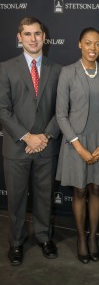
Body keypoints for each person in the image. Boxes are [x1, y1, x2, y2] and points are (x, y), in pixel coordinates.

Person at [0, 17, 61, 265]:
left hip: (46, 146)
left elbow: (62, 110)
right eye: (27, 34)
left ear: (44, 37)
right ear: (19, 38)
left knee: (45, 196)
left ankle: (44, 237)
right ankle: (16, 242)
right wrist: (27, 137)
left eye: (37, 34)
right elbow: (3, 110)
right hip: (17, 147)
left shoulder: (57, 70)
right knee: (15, 199)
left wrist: (44, 137)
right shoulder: (5, 68)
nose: (33, 39)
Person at [56, 27, 99, 264]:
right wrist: (79, 147)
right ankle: (81, 238)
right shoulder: (67, 73)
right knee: (80, 191)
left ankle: (93, 238)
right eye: (88, 43)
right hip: (75, 143)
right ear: (79, 44)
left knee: (96, 189)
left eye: (98, 44)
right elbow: (61, 115)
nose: (93, 48)